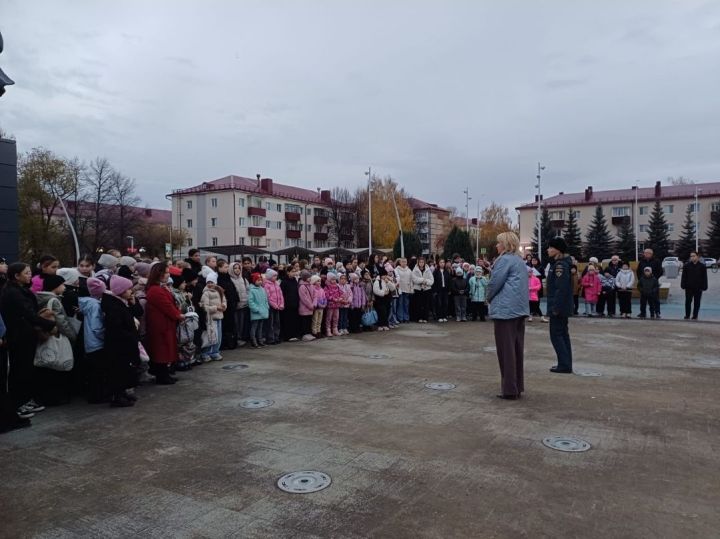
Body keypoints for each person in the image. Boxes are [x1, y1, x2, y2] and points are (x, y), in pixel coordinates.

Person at [0, 263, 56, 417]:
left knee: (25, 368)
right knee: (20, 369)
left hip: (25, 334)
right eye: (26, 273)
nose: (30, 275)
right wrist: (50, 324)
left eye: (30, 272)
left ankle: (24, 399)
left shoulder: (19, 290)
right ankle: (18, 403)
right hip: (18, 336)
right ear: (16, 276)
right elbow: (27, 313)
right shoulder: (13, 293)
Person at [486, 232, 529, 399]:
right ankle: (517, 386)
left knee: (506, 351)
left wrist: (487, 297)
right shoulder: (519, 260)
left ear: (505, 244)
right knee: (516, 349)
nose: (496, 246)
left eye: (498, 243)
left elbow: (494, 283)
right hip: (519, 310)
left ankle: (509, 389)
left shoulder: (503, 260)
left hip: (505, 310)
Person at [102, 275, 141, 407]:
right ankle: (117, 396)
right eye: (129, 289)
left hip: (124, 343)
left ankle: (122, 392)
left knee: (124, 370)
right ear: (121, 291)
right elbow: (116, 327)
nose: (131, 291)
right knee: (118, 371)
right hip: (119, 344)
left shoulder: (120, 303)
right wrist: (130, 336)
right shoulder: (114, 306)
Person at [145, 262, 184, 382]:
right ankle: (162, 376)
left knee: (165, 350)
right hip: (160, 325)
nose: (168, 275)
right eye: (166, 272)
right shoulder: (155, 290)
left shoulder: (160, 287)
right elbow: (167, 306)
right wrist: (178, 315)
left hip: (165, 323)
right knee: (161, 351)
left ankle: (164, 374)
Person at [546, 237, 574, 374]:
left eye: (551, 247)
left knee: (556, 335)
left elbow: (560, 289)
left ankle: (564, 364)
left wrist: (555, 307)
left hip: (559, 306)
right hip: (562, 306)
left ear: (558, 250)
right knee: (563, 334)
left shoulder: (560, 265)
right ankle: (565, 363)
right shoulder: (560, 263)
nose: (548, 250)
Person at [199, 272, 226, 359]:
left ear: (215, 282)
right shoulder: (206, 293)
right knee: (210, 336)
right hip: (210, 318)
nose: (210, 284)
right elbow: (205, 307)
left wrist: (223, 306)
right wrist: (216, 308)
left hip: (219, 316)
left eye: (212, 282)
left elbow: (224, 301)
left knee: (218, 336)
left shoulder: (220, 291)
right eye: (208, 282)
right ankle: (206, 352)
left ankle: (215, 351)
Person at [681, 252, 708, 320]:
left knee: (697, 303)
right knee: (688, 302)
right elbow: (684, 276)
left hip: (698, 288)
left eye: (693, 256)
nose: (692, 257)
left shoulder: (702, 266)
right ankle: (687, 315)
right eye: (691, 256)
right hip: (689, 287)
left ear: (698, 257)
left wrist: (704, 286)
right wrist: (683, 285)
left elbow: (704, 277)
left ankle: (695, 316)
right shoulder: (687, 266)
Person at [636, 248, 663, 317]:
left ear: (651, 254)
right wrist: (641, 279)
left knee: (655, 299)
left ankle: (657, 312)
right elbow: (638, 271)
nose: (645, 254)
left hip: (653, 283)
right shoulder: (642, 261)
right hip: (644, 283)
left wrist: (654, 279)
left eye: (647, 253)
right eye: (645, 253)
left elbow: (660, 271)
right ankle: (642, 313)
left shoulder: (656, 261)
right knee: (643, 301)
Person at [247, 272, 269, 348]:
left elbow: (266, 299)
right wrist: (256, 309)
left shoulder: (262, 289)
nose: (260, 281)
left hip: (262, 312)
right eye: (258, 280)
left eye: (260, 280)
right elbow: (250, 301)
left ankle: (260, 340)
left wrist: (266, 307)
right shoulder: (252, 290)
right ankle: (253, 341)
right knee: (254, 327)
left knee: (260, 327)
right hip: (256, 312)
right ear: (254, 281)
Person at [263, 269, 284, 345]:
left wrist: (281, 304)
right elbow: (268, 297)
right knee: (270, 323)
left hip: (278, 306)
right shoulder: (266, 285)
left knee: (277, 322)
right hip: (271, 307)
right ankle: (270, 338)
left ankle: (276, 337)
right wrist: (274, 305)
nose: (276, 277)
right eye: (274, 276)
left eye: (276, 275)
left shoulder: (277, 284)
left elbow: (281, 294)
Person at [280, 267, 301, 341]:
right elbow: (282, 294)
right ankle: (288, 336)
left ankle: (294, 334)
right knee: (288, 320)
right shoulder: (284, 282)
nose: (294, 273)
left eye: (295, 271)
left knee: (294, 320)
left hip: (295, 303)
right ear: (288, 272)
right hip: (287, 304)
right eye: (292, 271)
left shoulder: (295, 281)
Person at [412, 257, 434, 323]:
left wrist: (426, 282)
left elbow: (431, 280)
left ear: (424, 263)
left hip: (426, 289)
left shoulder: (428, 269)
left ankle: (425, 318)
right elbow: (414, 279)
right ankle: (419, 317)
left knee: (426, 304)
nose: (421, 263)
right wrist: (422, 280)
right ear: (418, 263)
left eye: (422, 262)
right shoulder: (415, 269)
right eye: (420, 262)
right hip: (418, 289)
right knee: (418, 304)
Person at [298, 270, 315, 341]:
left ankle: (308, 333)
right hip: (304, 308)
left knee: (309, 321)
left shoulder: (310, 285)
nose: (310, 278)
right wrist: (310, 305)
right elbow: (304, 298)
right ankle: (305, 334)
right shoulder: (302, 287)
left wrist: (314, 303)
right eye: (308, 277)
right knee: (305, 321)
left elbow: (314, 295)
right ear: (304, 278)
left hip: (311, 307)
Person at [394, 258, 413, 323]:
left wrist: (411, 289)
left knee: (406, 304)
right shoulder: (396, 269)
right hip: (400, 289)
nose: (404, 263)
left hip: (407, 289)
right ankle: (400, 318)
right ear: (400, 262)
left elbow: (411, 280)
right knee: (400, 304)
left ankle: (406, 317)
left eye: (405, 262)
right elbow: (396, 279)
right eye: (402, 262)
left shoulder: (409, 270)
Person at [432, 258, 451, 323]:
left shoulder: (446, 271)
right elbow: (434, 282)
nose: (442, 264)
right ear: (438, 263)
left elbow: (449, 281)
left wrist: (449, 290)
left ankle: (444, 316)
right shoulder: (436, 272)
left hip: (445, 290)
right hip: (438, 290)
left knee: (445, 303)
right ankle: (439, 316)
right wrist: (434, 291)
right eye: (441, 262)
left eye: (443, 262)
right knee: (439, 303)